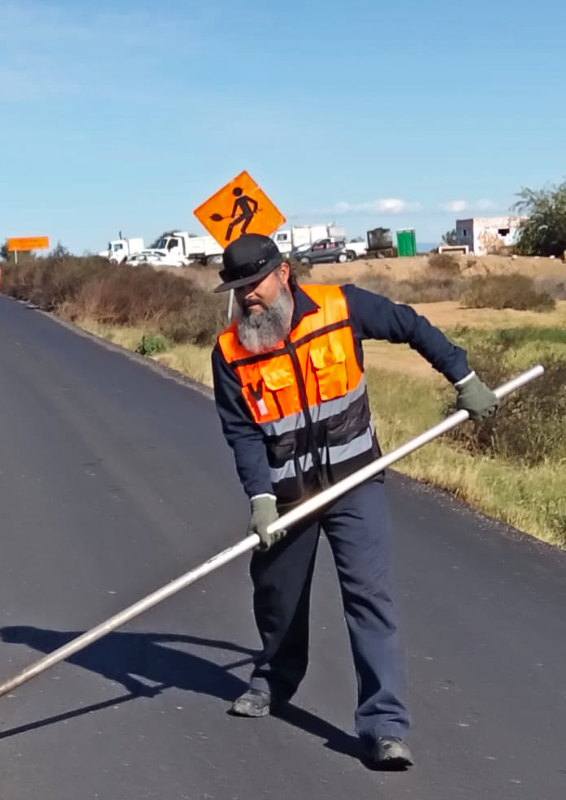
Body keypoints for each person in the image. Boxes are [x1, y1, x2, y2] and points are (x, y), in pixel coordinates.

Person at [208, 233, 500, 770]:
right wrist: (261, 497)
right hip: (289, 495)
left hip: (355, 480)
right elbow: (241, 431)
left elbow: (410, 325)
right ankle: (274, 679)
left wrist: (465, 377)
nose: (247, 296)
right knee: (278, 596)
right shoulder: (230, 351)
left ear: (284, 273)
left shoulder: (342, 308)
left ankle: (384, 725)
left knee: (369, 598)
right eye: (239, 287)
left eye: (254, 283)